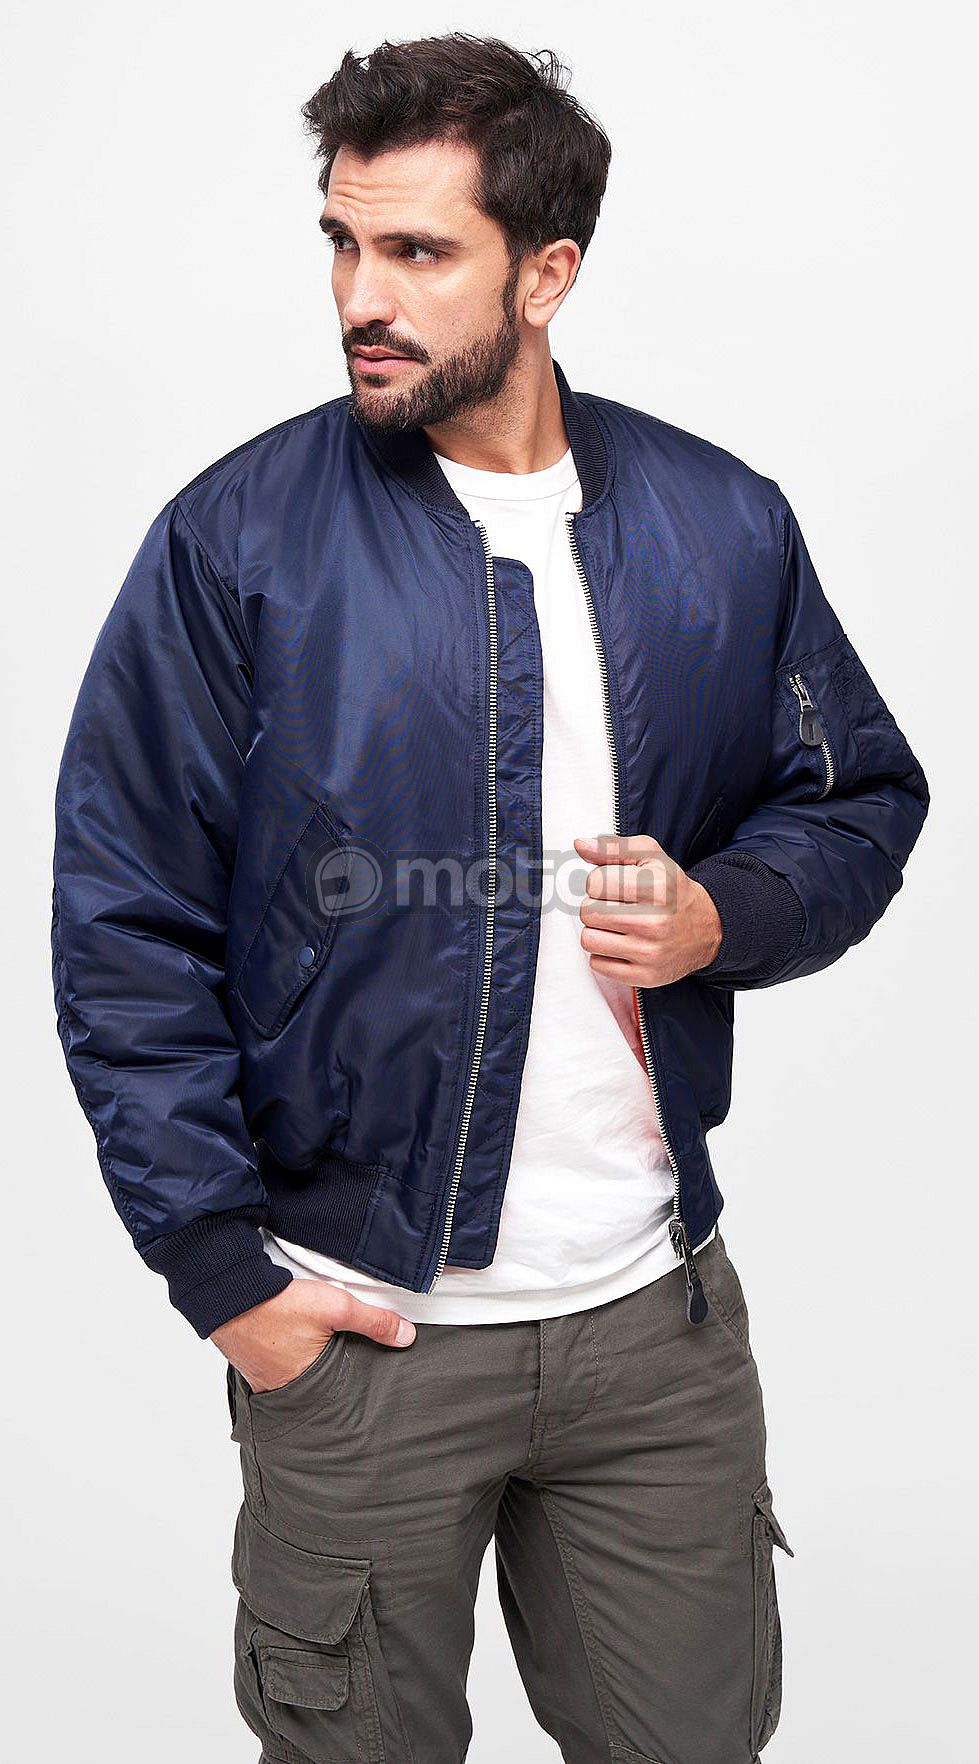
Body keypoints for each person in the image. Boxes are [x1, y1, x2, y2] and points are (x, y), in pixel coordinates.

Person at [51, 32, 929, 1764]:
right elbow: (125, 918)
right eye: (340, 242)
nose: (357, 298)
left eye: (416, 251)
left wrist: (726, 915)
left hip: (655, 1329)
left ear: (548, 273)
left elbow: (857, 798)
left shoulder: (720, 525)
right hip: (361, 1334)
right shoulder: (238, 540)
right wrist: (223, 1274)